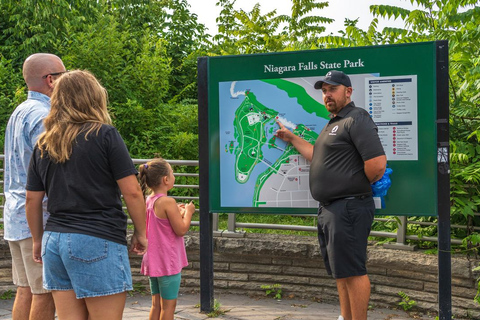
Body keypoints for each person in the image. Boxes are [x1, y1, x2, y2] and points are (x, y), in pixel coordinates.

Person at [24, 70, 147, 320]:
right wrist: (141, 232)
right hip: (96, 237)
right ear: (94, 97)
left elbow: (32, 200)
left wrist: (38, 240)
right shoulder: (104, 135)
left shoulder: (44, 143)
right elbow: (132, 192)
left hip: (54, 241)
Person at [275, 70, 386, 320]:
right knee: (341, 271)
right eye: (324, 90)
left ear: (348, 91)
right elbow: (318, 156)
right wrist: (292, 138)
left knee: (353, 270)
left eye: (332, 89)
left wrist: (351, 185)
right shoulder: (333, 123)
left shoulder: (356, 119)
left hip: (348, 208)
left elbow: (377, 165)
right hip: (331, 209)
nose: (327, 95)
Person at [3, 53, 66, 320]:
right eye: (64, 76)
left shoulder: (19, 112)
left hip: (15, 215)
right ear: (50, 80)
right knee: (46, 292)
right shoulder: (44, 116)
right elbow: (50, 171)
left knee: (26, 289)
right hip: (37, 217)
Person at [138, 158, 195, 320]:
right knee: (169, 307)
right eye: (172, 173)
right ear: (165, 179)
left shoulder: (149, 200)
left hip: (153, 261)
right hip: (167, 262)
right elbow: (181, 229)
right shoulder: (168, 202)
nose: (174, 176)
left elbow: (161, 222)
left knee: (156, 305)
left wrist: (177, 212)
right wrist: (189, 212)